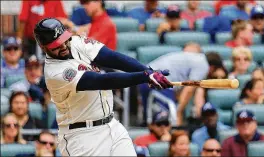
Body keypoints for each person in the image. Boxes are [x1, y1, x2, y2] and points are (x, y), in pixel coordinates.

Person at [33, 18, 172, 156]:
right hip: (82, 136)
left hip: (111, 125)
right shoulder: (54, 73)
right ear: (43, 47)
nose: (63, 46)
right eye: (56, 45)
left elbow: (112, 58)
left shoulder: (76, 42)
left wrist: (149, 72)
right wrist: (144, 76)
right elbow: (102, 81)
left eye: (64, 40)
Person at [142, 42, 209, 125]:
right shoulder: (202, 62)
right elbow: (189, 89)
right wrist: (179, 112)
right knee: (166, 122)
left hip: (145, 77)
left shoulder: (184, 58)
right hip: (159, 80)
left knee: (153, 121)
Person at [193, 52, 228, 119]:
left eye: (222, 78)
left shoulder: (230, 90)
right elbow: (199, 112)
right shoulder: (201, 90)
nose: (219, 81)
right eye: (215, 78)